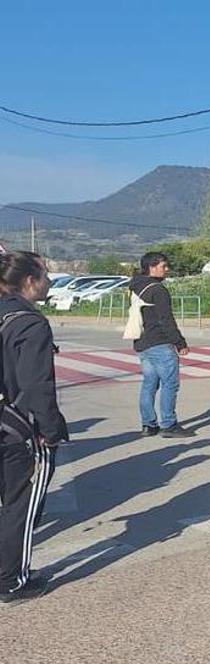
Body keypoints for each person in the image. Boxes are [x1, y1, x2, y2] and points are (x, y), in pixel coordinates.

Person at [0, 251, 69, 604]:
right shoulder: (30, 322)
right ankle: (12, 580)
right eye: (45, 275)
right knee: (21, 505)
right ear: (30, 281)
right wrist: (50, 429)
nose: (49, 281)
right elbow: (37, 384)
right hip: (18, 428)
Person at [130, 252, 194, 438]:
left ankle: (148, 424)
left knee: (149, 384)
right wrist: (179, 342)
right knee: (170, 384)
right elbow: (166, 319)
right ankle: (168, 424)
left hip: (142, 342)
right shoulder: (157, 290)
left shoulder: (135, 286)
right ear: (151, 267)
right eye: (163, 266)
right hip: (159, 342)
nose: (167, 270)